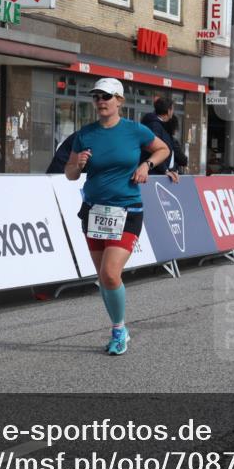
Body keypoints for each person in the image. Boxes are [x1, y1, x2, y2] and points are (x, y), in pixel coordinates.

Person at [65, 78, 170, 356]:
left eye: (107, 97)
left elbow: (163, 149)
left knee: (111, 273)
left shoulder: (135, 131)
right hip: (94, 211)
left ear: (119, 101)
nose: (101, 101)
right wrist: (79, 164)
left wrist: (146, 165)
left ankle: (119, 330)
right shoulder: (85, 134)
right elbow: (70, 174)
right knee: (104, 277)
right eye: (97, 96)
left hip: (127, 209)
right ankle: (118, 325)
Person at [141, 96, 181, 183]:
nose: (173, 112)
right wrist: (165, 170)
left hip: (156, 174)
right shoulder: (155, 126)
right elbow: (154, 150)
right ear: (168, 111)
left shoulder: (160, 125)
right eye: (172, 109)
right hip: (152, 175)